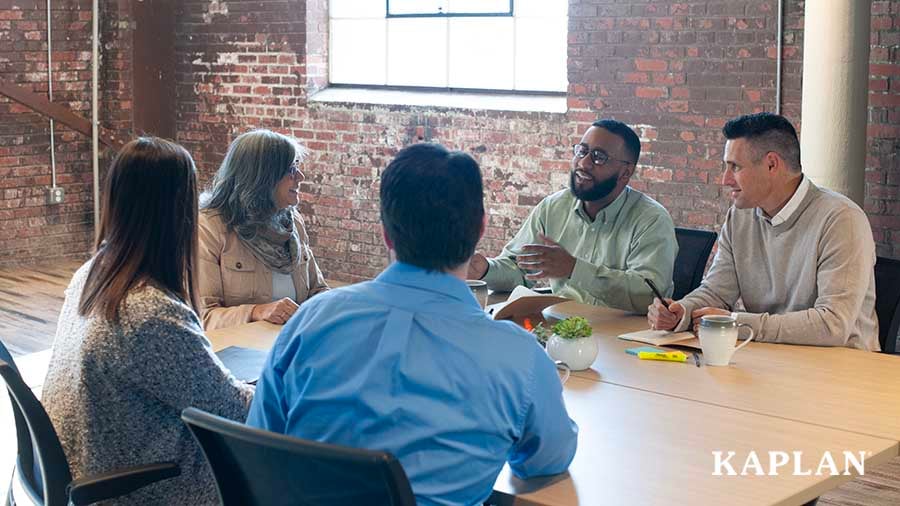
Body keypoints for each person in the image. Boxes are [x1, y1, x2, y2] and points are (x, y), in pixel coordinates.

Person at [247, 143, 578, 505]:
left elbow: (261, 445)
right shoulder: (519, 357)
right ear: (480, 229)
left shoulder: (310, 321)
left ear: (386, 232)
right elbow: (546, 461)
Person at [42, 138, 255, 505]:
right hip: (139, 489)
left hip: (93, 468)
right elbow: (232, 411)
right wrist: (283, 384)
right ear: (178, 212)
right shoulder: (149, 312)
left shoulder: (91, 274)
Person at [647, 112, 879, 351]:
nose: (725, 180)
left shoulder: (842, 220)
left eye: (734, 167)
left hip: (843, 371)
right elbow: (716, 291)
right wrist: (682, 311)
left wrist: (736, 323)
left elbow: (832, 325)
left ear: (771, 164)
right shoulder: (740, 216)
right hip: (771, 359)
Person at [468, 119, 677, 314]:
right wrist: (485, 269)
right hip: (560, 328)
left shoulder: (651, 219)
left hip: (622, 338)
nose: (584, 163)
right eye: (582, 151)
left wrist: (574, 269)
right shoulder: (554, 207)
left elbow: (650, 296)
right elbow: (520, 269)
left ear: (625, 173)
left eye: (598, 157)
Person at [198, 129, 328, 330]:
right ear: (263, 177)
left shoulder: (292, 222)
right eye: (291, 170)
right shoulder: (209, 227)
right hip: (235, 354)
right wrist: (256, 311)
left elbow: (317, 291)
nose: (300, 176)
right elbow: (202, 317)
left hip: (287, 345)